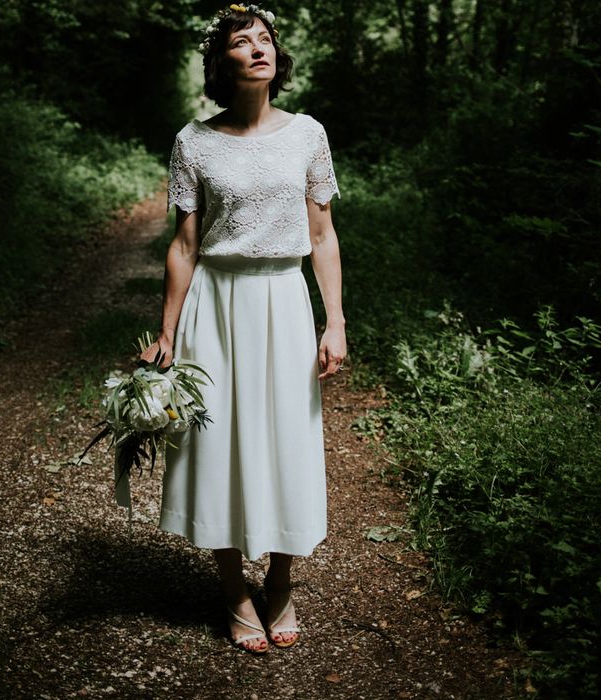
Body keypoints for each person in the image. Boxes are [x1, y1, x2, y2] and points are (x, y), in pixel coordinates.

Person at [142, 3, 346, 654]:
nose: (257, 47)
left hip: (284, 300)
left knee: (289, 438)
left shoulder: (308, 134)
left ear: (276, 57)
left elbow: (322, 234)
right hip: (215, 303)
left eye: (265, 38)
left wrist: (333, 319)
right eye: (241, 40)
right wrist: (168, 332)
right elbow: (182, 245)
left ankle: (281, 584)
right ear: (221, 61)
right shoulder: (193, 142)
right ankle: (233, 589)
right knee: (218, 445)